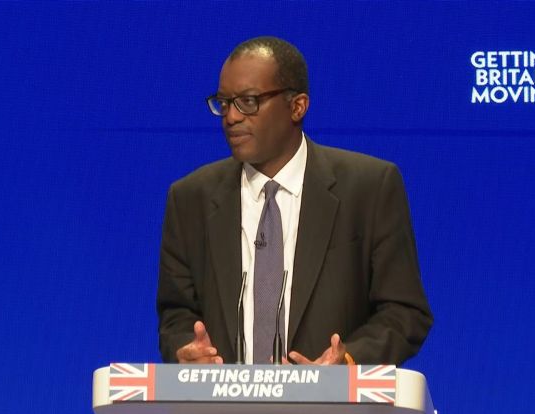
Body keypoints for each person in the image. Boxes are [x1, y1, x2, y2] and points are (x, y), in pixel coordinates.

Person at [157, 36, 432, 365]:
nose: (230, 117)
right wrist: (187, 351)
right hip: (224, 398)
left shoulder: (369, 188)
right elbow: (176, 315)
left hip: (332, 399)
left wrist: (348, 361)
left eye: (248, 102)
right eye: (224, 103)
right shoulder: (190, 199)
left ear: (297, 106)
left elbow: (404, 312)